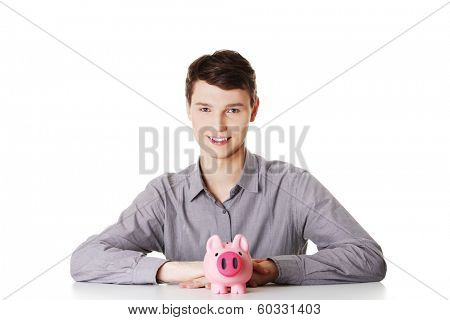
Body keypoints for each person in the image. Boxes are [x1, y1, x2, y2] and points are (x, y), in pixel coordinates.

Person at [70, 49, 387, 289]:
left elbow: (368, 258)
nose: (218, 125)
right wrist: (180, 269)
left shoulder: (293, 186)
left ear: (253, 109)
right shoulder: (165, 195)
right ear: (189, 110)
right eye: (205, 108)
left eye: (232, 109)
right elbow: (86, 260)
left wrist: (274, 269)